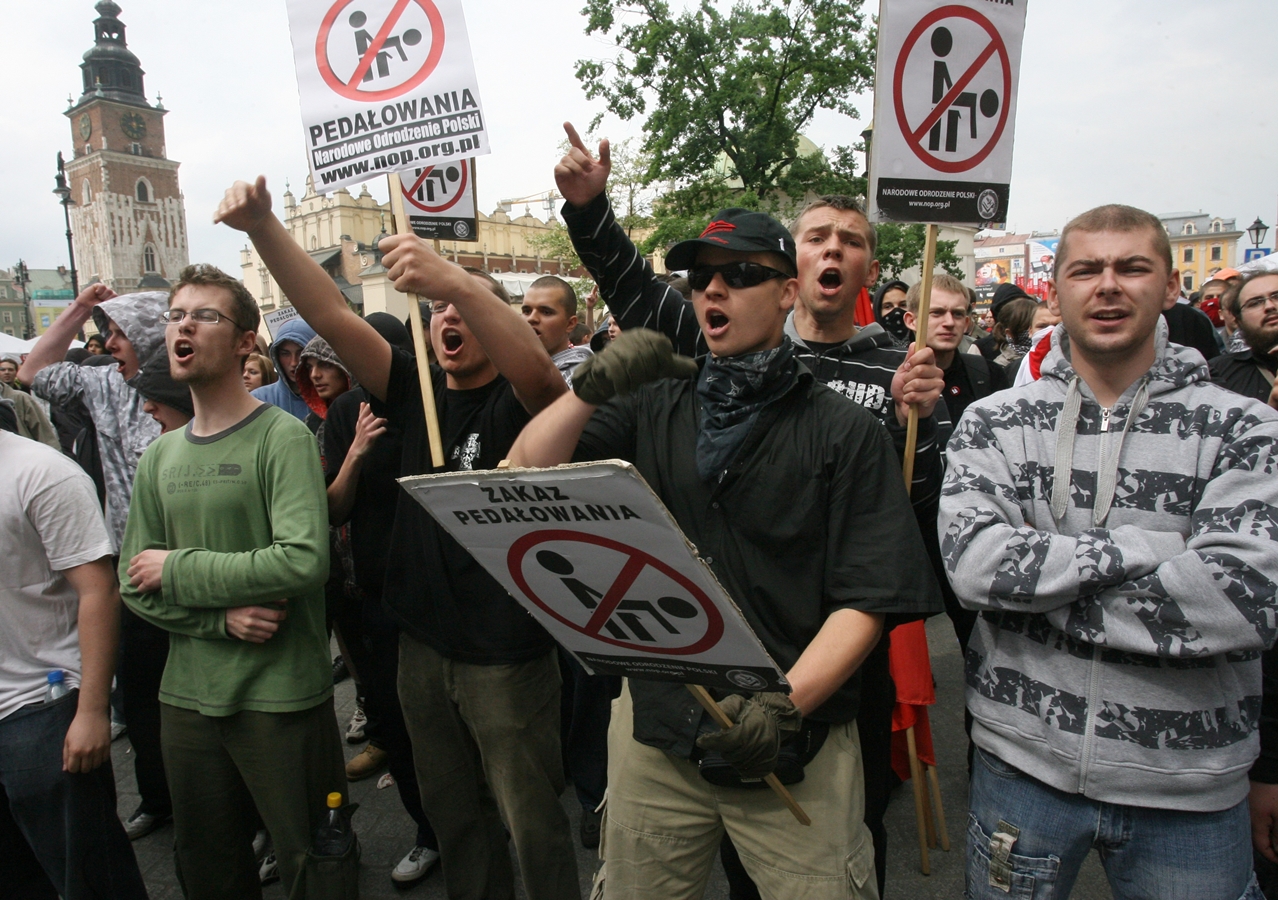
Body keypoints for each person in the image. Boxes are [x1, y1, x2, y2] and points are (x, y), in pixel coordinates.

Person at [553, 122, 945, 896]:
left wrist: (919, 426)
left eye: (851, 239)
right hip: (665, 718)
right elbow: (631, 290)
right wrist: (591, 214)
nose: (713, 291)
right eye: (703, 280)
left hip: (808, 710)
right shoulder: (684, 374)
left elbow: (899, 534)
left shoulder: (889, 372)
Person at [215, 176, 578, 900]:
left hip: (504, 656)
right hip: (420, 647)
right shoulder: (413, 387)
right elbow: (329, 309)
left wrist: (460, 279)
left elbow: (541, 374)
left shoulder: (522, 400)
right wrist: (261, 228)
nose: (448, 316)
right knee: (456, 817)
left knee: (529, 819)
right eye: (438, 307)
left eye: (463, 308)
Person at [940, 204, 1278, 900]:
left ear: (1172, 287)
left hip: (1190, 787)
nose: (1108, 286)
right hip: (1020, 769)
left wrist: (1040, 595)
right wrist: (1140, 550)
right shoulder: (995, 423)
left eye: (1132, 267)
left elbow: (1243, 600)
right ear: (1055, 290)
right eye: (1086, 270)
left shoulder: (1244, 426)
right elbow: (974, 565)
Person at [119, 263, 345, 899]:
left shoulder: (283, 437)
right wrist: (219, 618)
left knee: (314, 857)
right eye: (176, 316)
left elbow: (301, 561)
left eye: (205, 315)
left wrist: (178, 570)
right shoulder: (159, 455)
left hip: (280, 696)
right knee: (208, 864)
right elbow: (133, 585)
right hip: (186, 699)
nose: (184, 325)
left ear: (247, 339)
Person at [17, 285, 173, 840]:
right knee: (141, 700)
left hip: (188, 572)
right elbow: (32, 371)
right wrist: (78, 310)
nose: (108, 343)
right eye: (105, 332)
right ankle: (157, 798)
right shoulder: (104, 382)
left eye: (119, 333)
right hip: (131, 577)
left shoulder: (192, 383)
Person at [0, 414, 149, 900]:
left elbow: (100, 590)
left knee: (89, 876)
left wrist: (90, 710)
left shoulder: (41, 473)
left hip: (43, 709)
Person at [321, 312, 442, 886]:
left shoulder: (431, 403)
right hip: (377, 595)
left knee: (447, 724)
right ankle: (427, 831)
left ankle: (472, 819)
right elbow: (334, 509)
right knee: (394, 720)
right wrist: (356, 454)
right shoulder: (346, 414)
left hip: (439, 593)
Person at [1209, 272, 1278, 410]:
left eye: (1277, 296)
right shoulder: (1218, 373)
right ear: (1238, 320)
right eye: (1255, 303)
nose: (1269, 306)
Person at [522, 275, 593, 385]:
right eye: (527, 311)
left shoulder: (582, 380)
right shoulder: (510, 368)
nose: (531, 318)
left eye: (546, 312)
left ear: (570, 324)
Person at [250, 316, 317, 420]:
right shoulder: (259, 399)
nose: (293, 362)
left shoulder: (331, 398)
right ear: (276, 356)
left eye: (300, 353)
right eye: (285, 354)